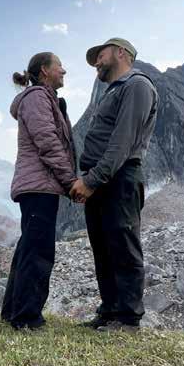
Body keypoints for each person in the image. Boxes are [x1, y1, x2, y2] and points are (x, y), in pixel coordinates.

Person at [70, 38, 158, 332]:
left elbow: (122, 142)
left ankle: (128, 318)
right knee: (104, 248)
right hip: (103, 179)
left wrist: (92, 180)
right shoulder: (114, 90)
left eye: (100, 55)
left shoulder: (137, 85)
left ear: (121, 53)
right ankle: (109, 312)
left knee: (122, 246)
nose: (96, 62)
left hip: (119, 178)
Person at [1, 52, 77, 330]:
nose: (64, 71)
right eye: (60, 66)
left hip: (38, 185)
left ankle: (13, 312)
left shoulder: (45, 98)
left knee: (29, 248)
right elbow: (48, 142)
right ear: (45, 70)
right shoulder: (37, 98)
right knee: (39, 251)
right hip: (39, 186)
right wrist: (70, 181)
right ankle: (27, 318)